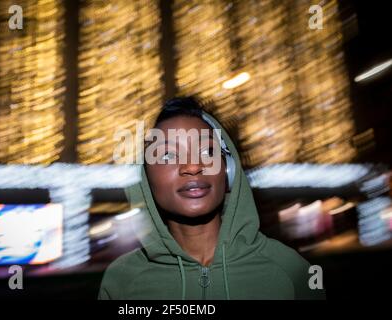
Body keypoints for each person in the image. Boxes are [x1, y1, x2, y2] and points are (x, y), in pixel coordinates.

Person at [98, 96, 325, 300]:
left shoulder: (292, 271)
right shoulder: (121, 282)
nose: (193, 166)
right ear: (146, 180)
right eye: (167, 154)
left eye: (208, 151)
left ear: (229, 171)